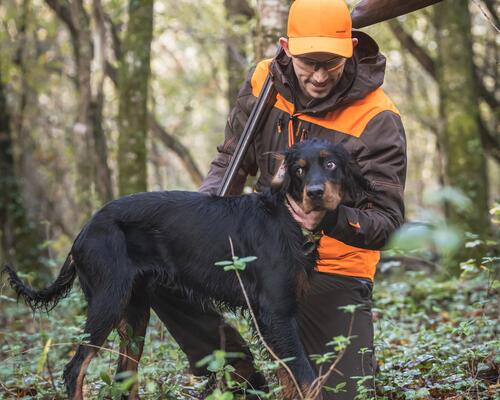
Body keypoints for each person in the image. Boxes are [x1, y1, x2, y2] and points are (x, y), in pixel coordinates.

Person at [151, 0, 406, 398]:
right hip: (260, 248)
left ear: (352, 48)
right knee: (158, 266)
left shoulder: (377, 117)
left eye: (331, 63)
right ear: (286, 48)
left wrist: (329, 218)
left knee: (337, 393)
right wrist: (202, 213)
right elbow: (232, 159)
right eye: (309, 63)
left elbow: (386, 223)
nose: (320, 76)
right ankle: (238, 370)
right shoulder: (262, 80)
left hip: (334, 268)